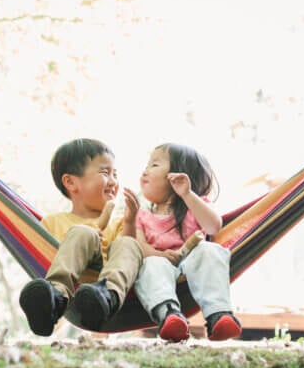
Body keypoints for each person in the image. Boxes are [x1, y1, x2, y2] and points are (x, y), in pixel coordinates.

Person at [18, 138, 142, 336]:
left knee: (129, 244)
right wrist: (99, 222)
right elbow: (44, 258)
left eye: (115, 174)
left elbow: (129, 260)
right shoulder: (53, 223)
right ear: (70, 182)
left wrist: (130, 222)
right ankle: (55, 298)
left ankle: (106, 298)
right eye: (105, 172)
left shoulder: (121, 220)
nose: (113, 181)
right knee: (82, 232)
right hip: (75, 287)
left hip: (112, 286)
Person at [128, 143, 242, 342]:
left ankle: (219, 315)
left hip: (194, 267)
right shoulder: (142, 215)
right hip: (160, 266)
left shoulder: (193, 207)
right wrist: (160, 255)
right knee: (149, 265)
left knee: (209, 250)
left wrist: (187, 194)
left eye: (154, 165)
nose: (145, 170)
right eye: (147, 164)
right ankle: (170, 315)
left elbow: (214, 227)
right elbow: (139, 246)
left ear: (177, 176)